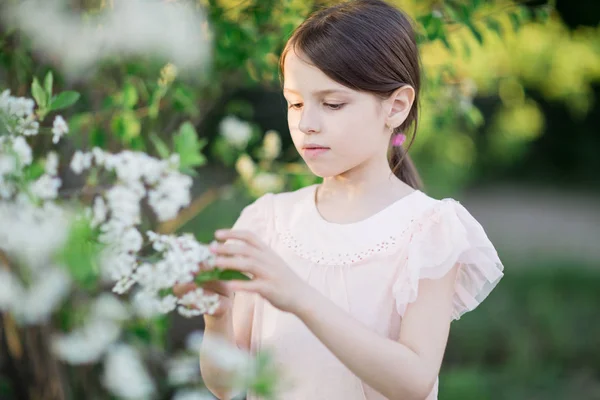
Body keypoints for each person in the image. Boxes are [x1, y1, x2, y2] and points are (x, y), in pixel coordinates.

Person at [176, 0, 504, 398]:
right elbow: (227, 386)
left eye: (332, 104)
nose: (306, 124)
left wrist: (299, 297)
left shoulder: (428, 231)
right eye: (295, 103)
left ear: (396, 106)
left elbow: (413, 381)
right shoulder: (268, 221)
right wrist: (219, 317)